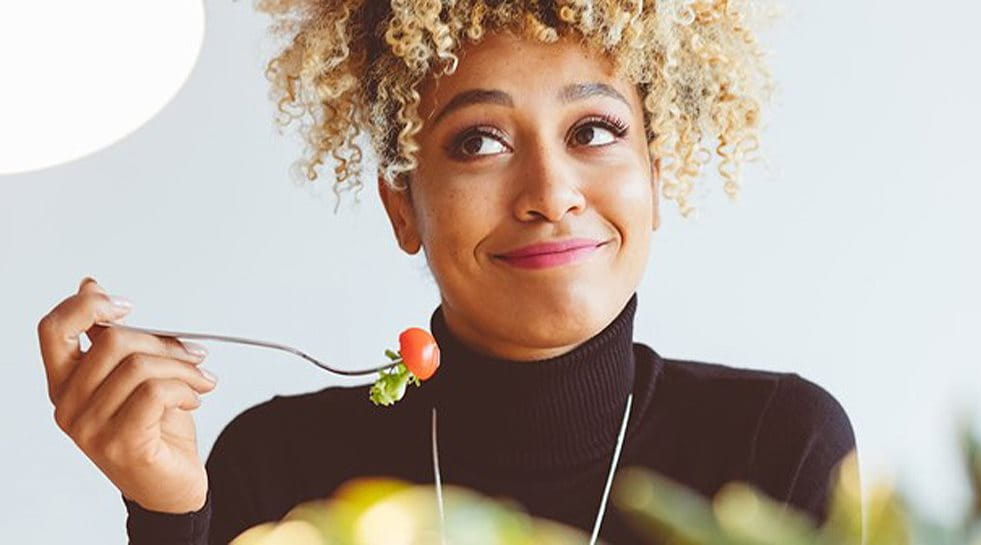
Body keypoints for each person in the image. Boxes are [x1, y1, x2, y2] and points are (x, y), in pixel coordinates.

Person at [36, 1, 859, 544]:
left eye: (595, 131)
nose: (550, 195)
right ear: (403, 206)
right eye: (479, 142)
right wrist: (170, 513)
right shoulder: (277, 468)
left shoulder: (776, 447)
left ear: (657, 171)